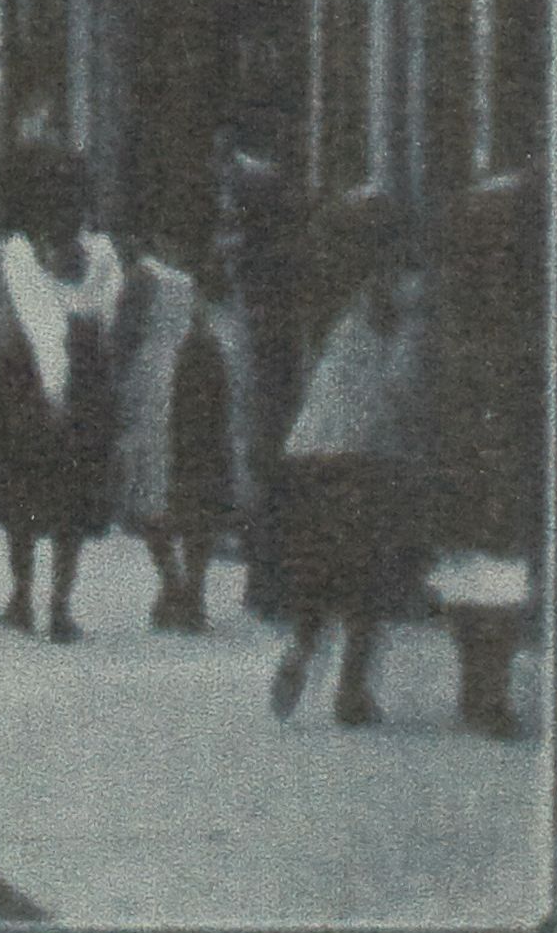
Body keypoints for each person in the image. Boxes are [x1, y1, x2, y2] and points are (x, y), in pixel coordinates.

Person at [267, 188, 436, 727]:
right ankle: (352, 691)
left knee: (320, 568)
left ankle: (301, 647)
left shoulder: (330, 300)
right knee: (367, 575)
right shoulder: (402, 300)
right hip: (369, 451)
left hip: (311, 446)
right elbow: (401, 381)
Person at [0, 131, 131, 641]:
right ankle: (60, 606)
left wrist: (54, 394)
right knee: (73, 499)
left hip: (31, 382)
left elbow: (42, 327)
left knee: (21, 493)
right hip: (88, 379)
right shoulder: (105, 253)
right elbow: (111, 323)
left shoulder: (21, 253)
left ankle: (23, 597)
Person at [426, 159, 549, 741]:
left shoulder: (467, 304)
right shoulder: (493, 312)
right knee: (489, 563)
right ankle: (484, 686)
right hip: (479, 441)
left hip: (477, 440)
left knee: (486, 564)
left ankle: (482, 684)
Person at [110, 211, 259, 634]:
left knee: (156, 490)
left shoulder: (145, 277)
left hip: (162, 386)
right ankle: (191, 586)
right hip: (206, 383)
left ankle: (176, 583)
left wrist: (119, 388)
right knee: (198, 491)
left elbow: (123, 337)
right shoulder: (212, 274)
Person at [217, 134, 314, 625]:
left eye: (235, 215)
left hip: (267, 380)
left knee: (266, 471)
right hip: (266, 379)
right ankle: (270, 579)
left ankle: (271, 580)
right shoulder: (270, 261)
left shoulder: (263, 268)